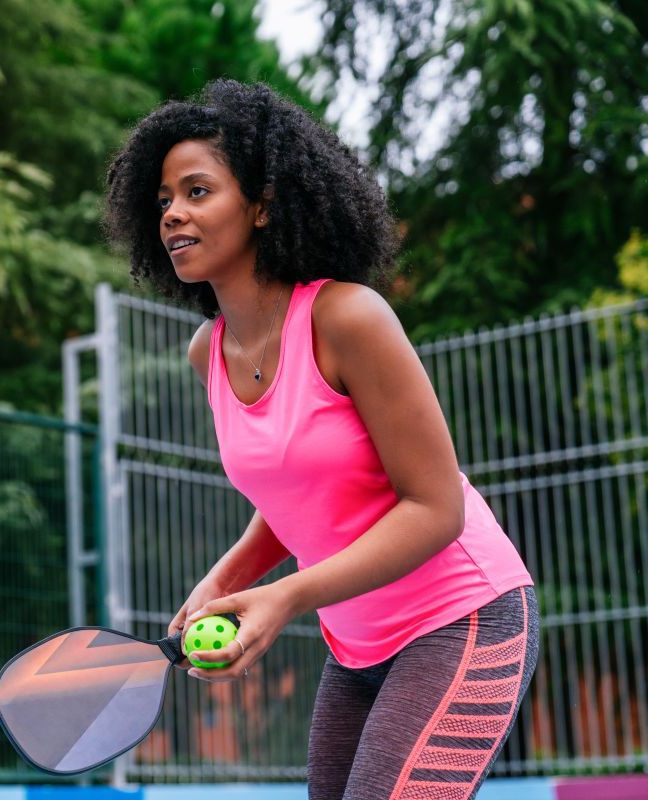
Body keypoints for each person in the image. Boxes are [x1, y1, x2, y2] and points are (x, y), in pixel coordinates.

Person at [104, 79, 538, 800]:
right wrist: (229, 578)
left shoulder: (347, 319)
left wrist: (285, 598)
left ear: (264, 204)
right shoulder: (205, 354)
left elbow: (437, 508)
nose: (173, 213)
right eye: (162, 200)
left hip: (463, 617)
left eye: (198, 191)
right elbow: (302, 491)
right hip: (359, 643)